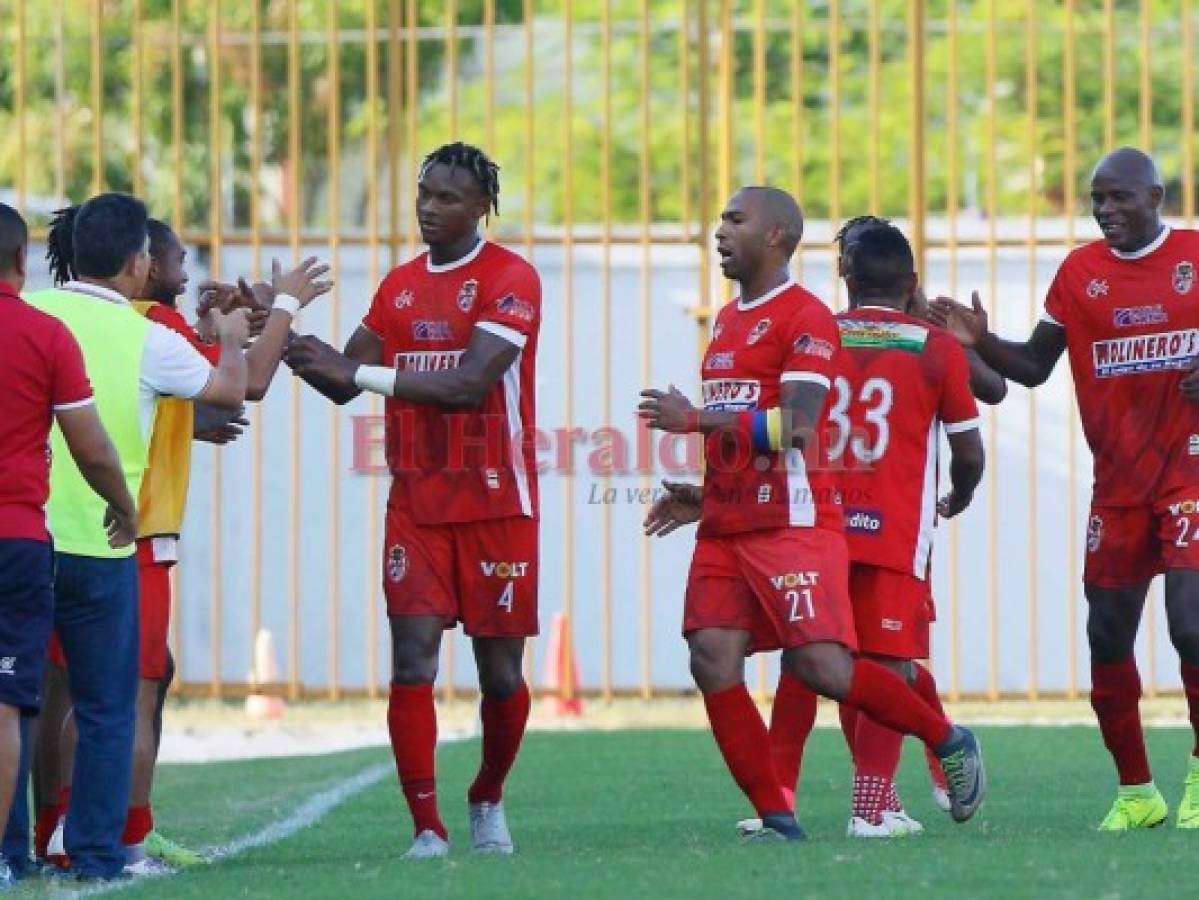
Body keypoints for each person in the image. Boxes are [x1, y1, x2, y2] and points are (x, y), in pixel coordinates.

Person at [638, 186, 985, 842]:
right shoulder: (725, 320)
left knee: (821, 667)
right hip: (730, 523)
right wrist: (705, 496)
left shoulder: (807, 317)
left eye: (733, 220)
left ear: (775, 236)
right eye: (719, 219)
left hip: (798, 523)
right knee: (712, 657)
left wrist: (692, 419)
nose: (719, 231)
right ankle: (778, 811)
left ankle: (933, 748)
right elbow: (741, 429)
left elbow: (795, 426)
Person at [30, 207, 330, 875]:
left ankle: (50, 830)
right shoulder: (147, 327)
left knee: (55, 691)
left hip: (40, 530)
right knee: (128, 693)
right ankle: (121, 835)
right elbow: (243, 383)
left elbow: (109, 405)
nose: (184, 271)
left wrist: (204, 368)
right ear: (142, 265)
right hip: (126, 532)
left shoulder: (58, 316)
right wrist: (278, 306)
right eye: (174, 260)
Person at [930, 147, 1199, 831]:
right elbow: (1030, 367)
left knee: (1190, 626)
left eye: (1117, 197)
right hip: (1117, 488)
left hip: (1190, 475)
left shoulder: (1194, 257)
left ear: (1155, 197)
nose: (1104, 209)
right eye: (1094, 199)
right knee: (1105, 637)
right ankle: (1136, 792)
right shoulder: (1079, 273)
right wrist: (980, 341)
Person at [286, 142, 541, 859]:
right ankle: (425, 828)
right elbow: (340, 378)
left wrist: (360, 373)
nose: (429, 206)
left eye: (448, 197)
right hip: (417, 506)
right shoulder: (399, 286)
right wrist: (278, 333)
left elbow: (466, 384)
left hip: (496, 504)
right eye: (424, 192)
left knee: (500, 675)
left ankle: (486, 795)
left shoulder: (509, 278)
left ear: (481, 207)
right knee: (412, 661)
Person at [0, 204, 138, 886]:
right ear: (21, 262)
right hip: (20, 538)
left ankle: (11, 854)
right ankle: (87, 856)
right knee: (29, 703)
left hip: (34, 546)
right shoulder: (43, 334)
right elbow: (91, 448)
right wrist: (125, 506)